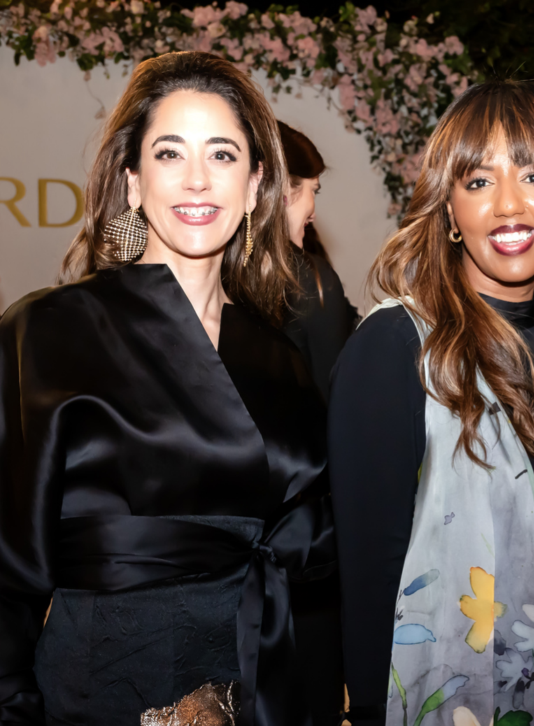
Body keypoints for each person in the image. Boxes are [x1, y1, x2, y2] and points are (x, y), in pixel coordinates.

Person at [0, 51, 335, 726]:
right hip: (104, 689)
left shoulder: (278, 357)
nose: (197, 181)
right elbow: (5, 567)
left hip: (259, 684)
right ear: (131, 181)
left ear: (255, 184)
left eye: (221, 155)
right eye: (169, 153)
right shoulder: (45, 331)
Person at [329, 80, 534, 726]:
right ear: (448, 210)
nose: (509, 205)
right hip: (468, 698)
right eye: (477, 183)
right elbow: (369, 574)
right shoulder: (399, 348)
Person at [278, 120, 358, 400]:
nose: (313, 213)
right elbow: (333, 396)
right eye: (314, 190)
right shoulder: (309, 277)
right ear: (284, 191)